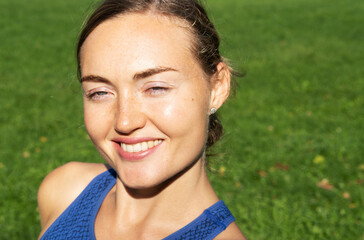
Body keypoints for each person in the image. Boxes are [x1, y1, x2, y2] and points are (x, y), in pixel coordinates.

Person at [37, 0, 246, 239]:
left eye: (156, 88)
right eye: (100, 92)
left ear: (217, 87)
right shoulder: (64, 192)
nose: (124, 122)